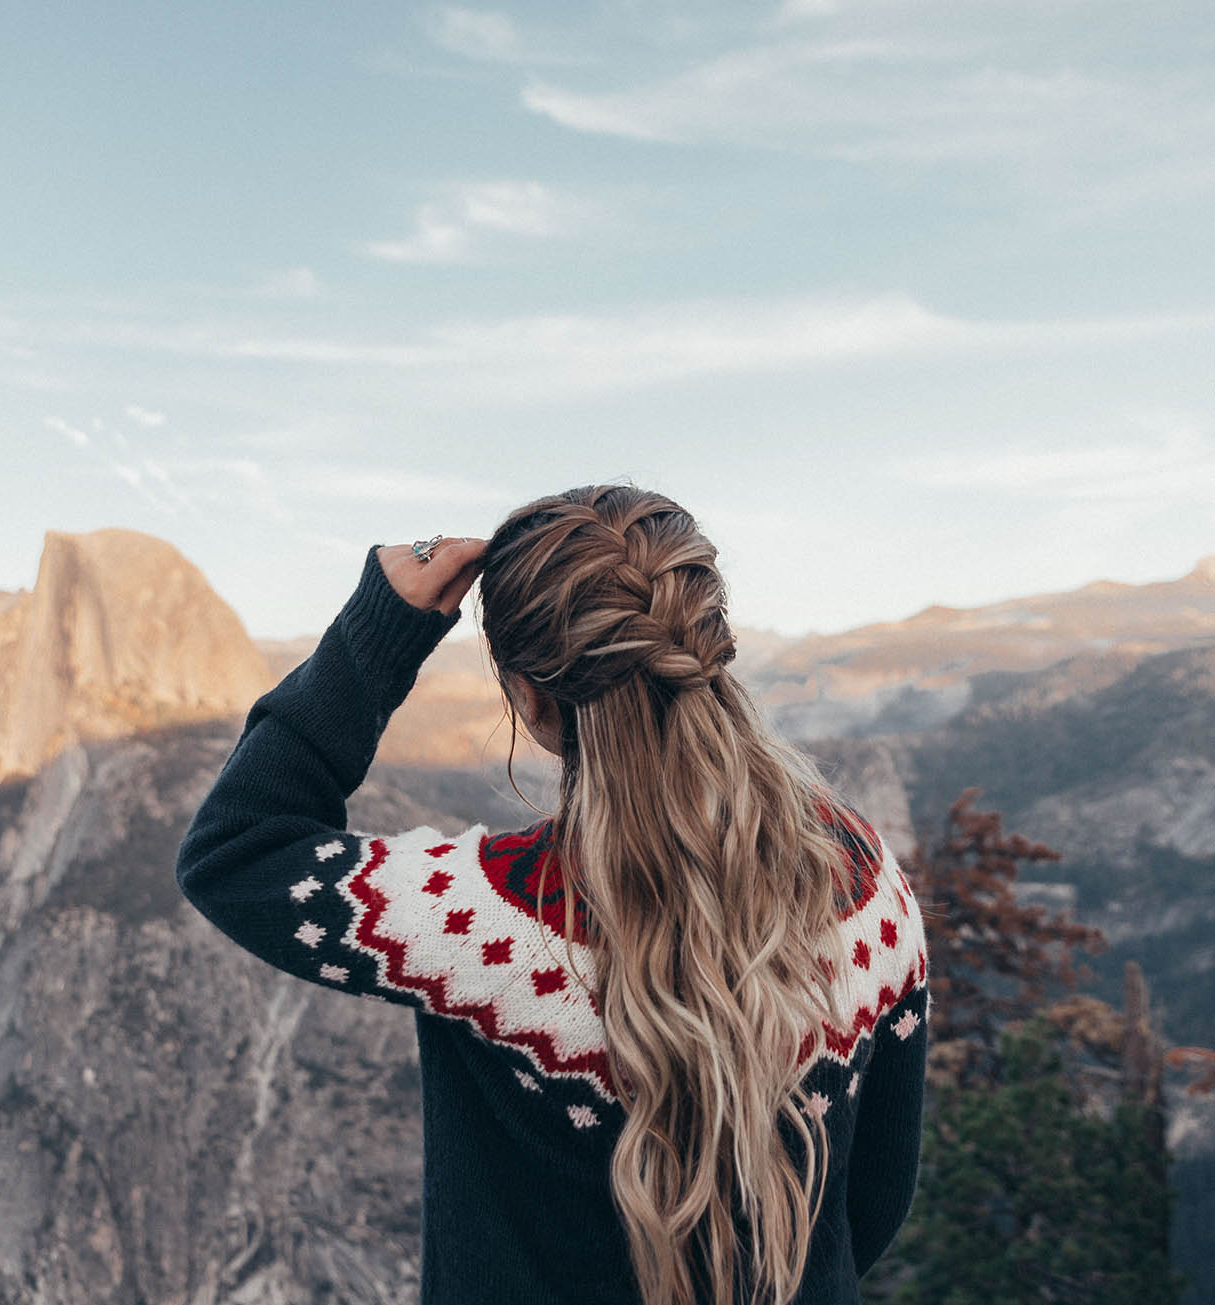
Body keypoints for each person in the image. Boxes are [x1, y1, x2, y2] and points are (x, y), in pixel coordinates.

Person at [177, 485, 928, 1305]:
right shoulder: (861, 885)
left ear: (529, 700)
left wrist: (379, 630)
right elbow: (875, 1202)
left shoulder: (480, 919)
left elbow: (235, 847)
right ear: (712, 644)